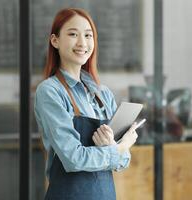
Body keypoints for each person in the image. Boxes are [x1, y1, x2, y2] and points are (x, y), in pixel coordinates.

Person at [34, 8, 138, 200]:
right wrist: (118, 148)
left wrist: (114, 149)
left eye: (88, 35)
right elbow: (73, 159)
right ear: (55, 40)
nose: (82, 43)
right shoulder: (50, 91)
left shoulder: (103, 94)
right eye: (73, 34)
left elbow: (123, 162)